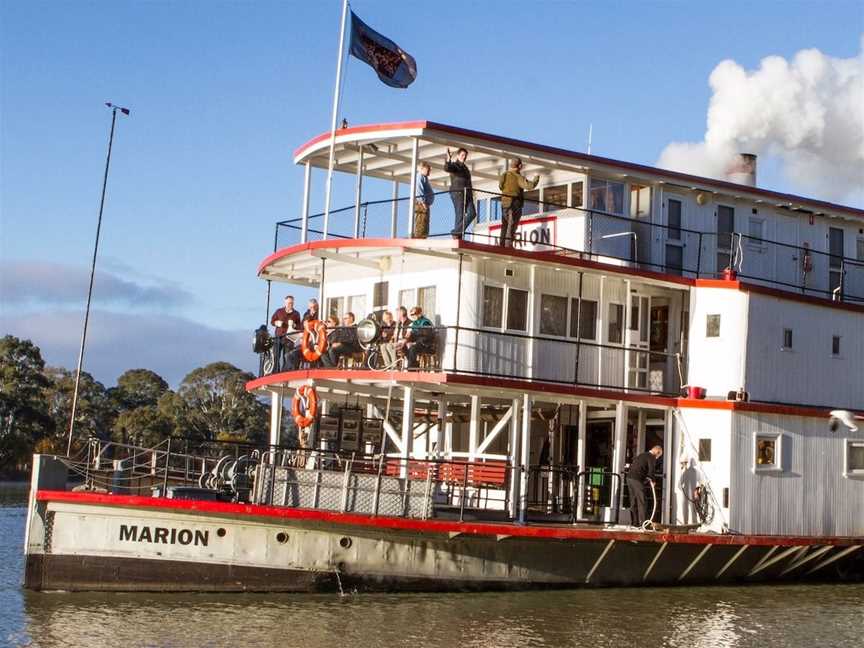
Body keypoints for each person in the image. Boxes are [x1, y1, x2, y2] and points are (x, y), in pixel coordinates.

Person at [498, 158, 539, 247]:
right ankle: (508, 245)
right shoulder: (518, 177)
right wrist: (536, 177)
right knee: (511, 225)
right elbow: (529, 186)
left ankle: (501, 244)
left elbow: (500, 186)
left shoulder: (504, 175)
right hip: (514, 204)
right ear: (520, 166)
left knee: (504, 224)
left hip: (504, 203)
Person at [627, 445, 663, 527]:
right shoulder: (651, 457)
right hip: (637, 479)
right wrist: (653, 480)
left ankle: (634, 523)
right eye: (659, 456)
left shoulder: (642, 455)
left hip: (629, 478)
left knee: (633, 501)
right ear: (657, 452)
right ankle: (643, 523)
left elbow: (638, 466)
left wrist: (646, 479)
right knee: (642, 501)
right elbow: (651, 470)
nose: (657, 458)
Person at [444, 147, 476, 237]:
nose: (464, 157)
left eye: (465, 155)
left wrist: (471, 194)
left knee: (472, 213)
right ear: (458, 156)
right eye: (462, 155)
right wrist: (448, 159)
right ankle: (458, 236)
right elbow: (447, 168)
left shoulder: (465, 168)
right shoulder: (455, 165)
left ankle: (456, 232)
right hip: (458, 193)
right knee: (460, 215)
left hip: (467, 194)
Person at [270, 295, 302, 370]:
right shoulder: (279, 311)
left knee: (287, 356)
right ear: (285, 303)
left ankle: (284, 372)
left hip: (289, 338)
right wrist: (276, 323)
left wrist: (294, 325)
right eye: (288, 303)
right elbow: (272, 321)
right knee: (275, 356)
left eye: (291, 303)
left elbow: (299, 326)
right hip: (278, 337)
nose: (290, 304)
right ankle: (275, 372)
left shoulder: (296, 313)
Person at [413, 161, 435, 238]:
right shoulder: (420, 176)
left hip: (425, 204)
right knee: (421, 221)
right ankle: (419, 237)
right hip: (421, 204)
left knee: (425, 222)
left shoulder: (424, 178)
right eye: (428, 170)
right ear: (423, 169)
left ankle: (423, 236)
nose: (429, 171)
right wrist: (423, 202)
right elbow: (419, 189)